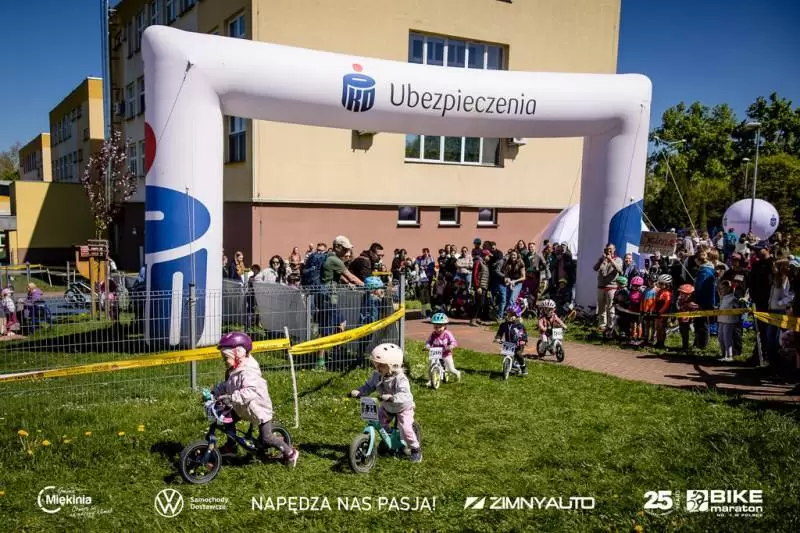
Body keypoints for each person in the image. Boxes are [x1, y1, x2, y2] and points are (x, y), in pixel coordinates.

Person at [212, 332, 300, 466]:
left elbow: (250, 391)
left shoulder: (248, 371)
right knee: (226, 418)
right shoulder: (234, 369)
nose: (224, 361)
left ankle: (290, 453)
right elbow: (228, 385)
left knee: (267, 438)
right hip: (242, 406)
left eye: (226, 358)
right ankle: (231, 445)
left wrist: (231, 398)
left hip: (259, 409)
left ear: (238, 354)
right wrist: (215, 391)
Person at [350, 343, 422, 463]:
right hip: (387, 407)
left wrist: (392, 397)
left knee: (406, 429)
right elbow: (369, 386)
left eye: (381, 365)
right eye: (376, 364)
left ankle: (415, 449)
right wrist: (359, 392)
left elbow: (405, 394)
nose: (377, 368)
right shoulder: (377, 375)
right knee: (379, 422)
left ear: (393, 365)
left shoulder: (400, 378)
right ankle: (390, 440)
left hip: (403, 407)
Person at [357, 277, 389, 365]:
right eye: (380, 289)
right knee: (368, 342)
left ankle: (360, 358)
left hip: (363, 323)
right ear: (373, 290)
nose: (382, 290)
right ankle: (363, 359)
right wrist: (382, 298)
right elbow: (378, 310)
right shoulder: (374, 299)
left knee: (363, 343)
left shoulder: (366, 296)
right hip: (370, 324)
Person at [593, 243, 623, 333]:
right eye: (607, 249)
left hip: (612, 287)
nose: (609, 250)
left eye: (610, 249)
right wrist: (600, 260)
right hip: (601, 287)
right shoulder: (603, 259)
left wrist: (611, 260)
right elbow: (595, 268)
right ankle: (602, 326)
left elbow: (620, 270)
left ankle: (611, 327)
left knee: (610, 308)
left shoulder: (618, 259)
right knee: (601, 308)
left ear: (614, 249)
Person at [425, 313, 461, 383]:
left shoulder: (447, 334)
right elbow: (428, 341)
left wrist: (451, 346)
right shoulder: (433, 334)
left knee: (451, 369)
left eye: (440, 327)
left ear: (445, 326)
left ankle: (457, 373)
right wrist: (427, 346)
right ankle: (430, 380)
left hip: (446, 353)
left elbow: (453, 342)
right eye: (435, 327)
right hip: (435, 353)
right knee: (431, 366)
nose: (438, 329)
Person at [494, 304, 529, 376]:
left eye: (512, 314)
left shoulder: (519, 326)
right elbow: (500, 332)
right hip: (508, 343)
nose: (509, 316)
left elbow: (524, 334)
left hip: (518, 344)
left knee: (518, 354)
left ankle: (523, 367)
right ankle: (509, 366)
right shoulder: (504, 325)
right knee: (506, 354)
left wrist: (523, 340)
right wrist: (498, 338)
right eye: (508, 314)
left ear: (517, 316)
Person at [692, 252, 717, 350]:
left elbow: (699, 287)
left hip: (702, 300)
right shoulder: (709, 269)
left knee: (701, 323)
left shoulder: (703, 271)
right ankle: (698, 343)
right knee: (702, 323)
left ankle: (701, 345)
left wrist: (696, 299)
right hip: (708, 300)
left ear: (698, 260)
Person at [717, 280, 744, 363]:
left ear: (728, 288)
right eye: (720, 288)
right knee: (720, 338)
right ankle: (723, 355)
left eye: (723, 288)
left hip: (729, 321)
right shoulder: (722, 298)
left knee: (727, 338)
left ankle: (729, 356)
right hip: (721, 320)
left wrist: (736, 305)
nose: (721, 290)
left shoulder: (733, 297)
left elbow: (737, 307)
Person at [470, 250, 491, 326]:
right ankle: (473, 320)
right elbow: (475, 275)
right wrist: (477, 287)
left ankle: (478, 319)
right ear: (485, 255)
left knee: (481, 303)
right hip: (479, 287)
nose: (489, 257)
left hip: (484, 286)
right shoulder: (478, 262)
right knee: (478, 303)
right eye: (488, 256)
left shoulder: (485, 264)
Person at [676, 284, 699, 353]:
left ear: (688, 294)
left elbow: (697, 309)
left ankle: (686, 347)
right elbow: (678, 308)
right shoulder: (680, 300)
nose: (680, 294)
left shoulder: (691, 303)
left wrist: (693, 309)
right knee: (683, 333)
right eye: (680, 292)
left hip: (687, 321)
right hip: (681, 320)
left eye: (682, 293)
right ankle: (684, 346)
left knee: (685, 333)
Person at [653, 274, 673, 349]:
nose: (660, 285)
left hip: (663, 313)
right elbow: (655, 301)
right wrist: (654, 309)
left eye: (662, 284)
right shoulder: (659, 291)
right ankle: (658, 342)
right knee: (657, 327)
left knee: (662, 328)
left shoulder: (668, 293)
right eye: (659, 283)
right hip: (657, 312)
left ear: (667, 284)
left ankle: (662, 343)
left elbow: (666, 304)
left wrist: (660, 311)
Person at [641, 274, 658, 346]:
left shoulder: (657, 290)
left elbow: (655, 302)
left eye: (653, 281)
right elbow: (642, 300)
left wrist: (652, 310)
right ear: (648, 281)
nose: (651, 283)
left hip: (653, 311)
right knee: (646, 324)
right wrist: (641, 309)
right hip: (645, 311)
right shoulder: (646, 290)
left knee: (653, 325)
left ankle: (652, 339)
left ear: (656, 282)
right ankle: (646, 339)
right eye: (650, 281)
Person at [628, 276, 645, 344]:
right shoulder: (631, 292)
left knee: (639, 324)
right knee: (633, 325)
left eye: (637, 286)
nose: (635, 287)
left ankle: (639, 338)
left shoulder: (642, 293)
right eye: (634, 285)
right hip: (632, 311)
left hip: (639, 311)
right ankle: (633, 337)